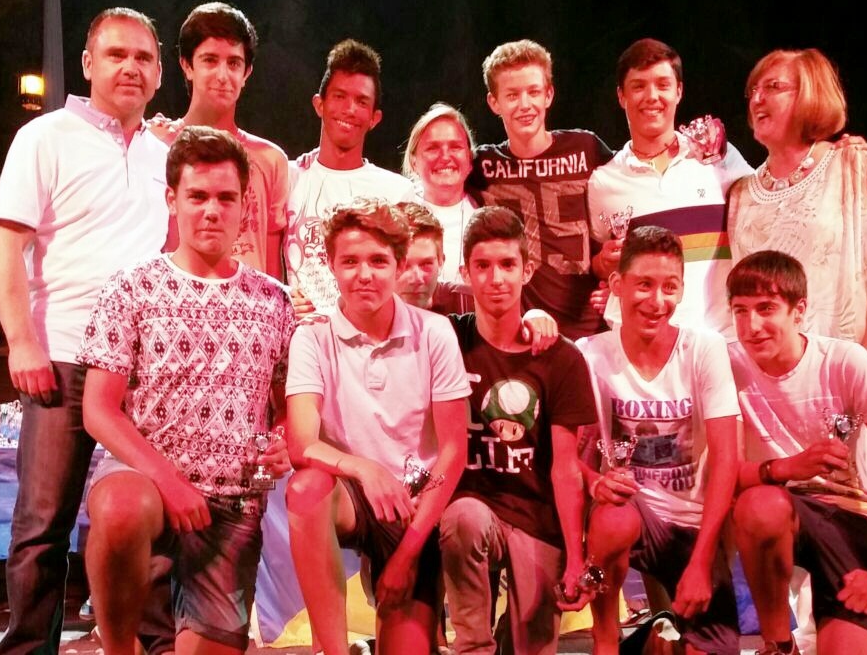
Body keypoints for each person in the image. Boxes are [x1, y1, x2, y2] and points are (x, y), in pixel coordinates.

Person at [0, 7, 169, 654]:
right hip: (61, 356)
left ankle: (152, 643)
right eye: (116, 54)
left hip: (143, 370)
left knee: (147, 513)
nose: (130, 67)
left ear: (159, 73)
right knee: (42, 524)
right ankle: (29, 648)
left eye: (143, 58)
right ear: (88, 64)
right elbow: (4, 245)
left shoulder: (163, 155)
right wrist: (22, 341)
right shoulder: (46, 137)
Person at [76, 125, 295, 654]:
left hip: (231, 508)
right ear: (172, 200)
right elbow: (98, 410)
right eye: (197, 196)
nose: (212, 210)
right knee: (120, 508)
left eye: (225, 198)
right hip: (147, 485)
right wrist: (168, 480)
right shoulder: (131, 287)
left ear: (245, 205)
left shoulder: (276, 300)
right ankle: (118, 647)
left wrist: (286, 439)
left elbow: (290, 407)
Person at [282, 198, 470, 655]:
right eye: (350, 261)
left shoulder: (434, 332)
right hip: (351, 498)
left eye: (378, 261)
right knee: (306, 488)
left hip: (414, 508)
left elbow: (453, 452)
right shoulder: (313, 337)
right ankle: (332, 650)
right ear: (331, 266)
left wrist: (406, 554)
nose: (364, 274)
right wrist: (365, 469)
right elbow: (301, 444)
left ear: (399, 266)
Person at [726, 250, 867, 655]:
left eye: (766, 309)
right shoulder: (726, 364)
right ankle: (778, 645)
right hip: (774, 510)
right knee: (760, 506)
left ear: (799, 311)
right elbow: (724, 473)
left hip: (847, 517)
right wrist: (789, 467)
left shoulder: (844, 362)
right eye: (740, 311)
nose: (752, 326)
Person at [576, 225, 741, 655]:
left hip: (690, 525)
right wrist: (594, 480)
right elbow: (562, 455)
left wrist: (703, 560)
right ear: (617, 284)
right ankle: (606, 640)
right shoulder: (589, 353)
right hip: (628, 515)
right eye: (644, 284)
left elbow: (727, 458)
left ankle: (654, 637)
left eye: (670, 287)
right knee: (611, 517)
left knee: (711, 649)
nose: (657, 301)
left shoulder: (705, 349)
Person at [439, 206, 596, 654]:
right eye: (483, 266)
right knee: (463, 520)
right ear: (466, 273)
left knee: (534, 644)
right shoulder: (446, 340)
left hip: (537, 516)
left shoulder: (562, 358)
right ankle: (472, 647)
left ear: (527, 271)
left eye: (508, 265)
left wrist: (576, 557)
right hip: (473, 508)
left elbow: (565, 469)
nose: (496, 279)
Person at [726, 48, 867, 384]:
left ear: (810, 94)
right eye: (753, 90)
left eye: (773, 87)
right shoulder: (742, 194)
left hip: (858, 372)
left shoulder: (850, 164)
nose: (757, 99)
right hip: (777, 383)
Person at [587, 38, 753, 337]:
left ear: (679, 91)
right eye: (639, 86)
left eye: (662, 85)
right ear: (621, 96)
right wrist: (603, 263)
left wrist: (826, 151)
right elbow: (601, 265)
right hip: (644, 347)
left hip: (722, 341)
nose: (652, 96)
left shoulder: (718, 156)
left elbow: (773, 195)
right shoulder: (603, 183)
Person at [469, 39, 614, 340]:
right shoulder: (482, 164)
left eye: (533, 92)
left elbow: (635, 179)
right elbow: (436, 185)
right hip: (523, 332)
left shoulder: (585, 147)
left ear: (549, 95)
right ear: (494, 102)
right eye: (512, 95)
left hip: (591, 331)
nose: (524, 104)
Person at [152, 1, 290, 278]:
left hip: (250, 302)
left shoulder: (271, 160)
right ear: (187, 65)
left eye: (234, 63)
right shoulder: (156, 145)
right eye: (210, 60)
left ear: (246, 73)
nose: (223, 75)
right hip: (175, 296)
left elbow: (272, 270)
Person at [284, 40, 415, 312]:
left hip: (371, 334)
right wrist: (281, 299)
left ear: (374, 118)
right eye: (340, 96)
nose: (350, 109)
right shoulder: (287, 177)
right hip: (300, 333)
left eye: (361, 101)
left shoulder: (397, 192)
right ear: (319, 104)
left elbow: (409, 275)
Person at [402, 102, 479, 287]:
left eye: (455, 147)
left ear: (469, 159)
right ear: (413, 162)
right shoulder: (397, 214)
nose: (445, 157)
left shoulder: (484, 216)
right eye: (432, 148)